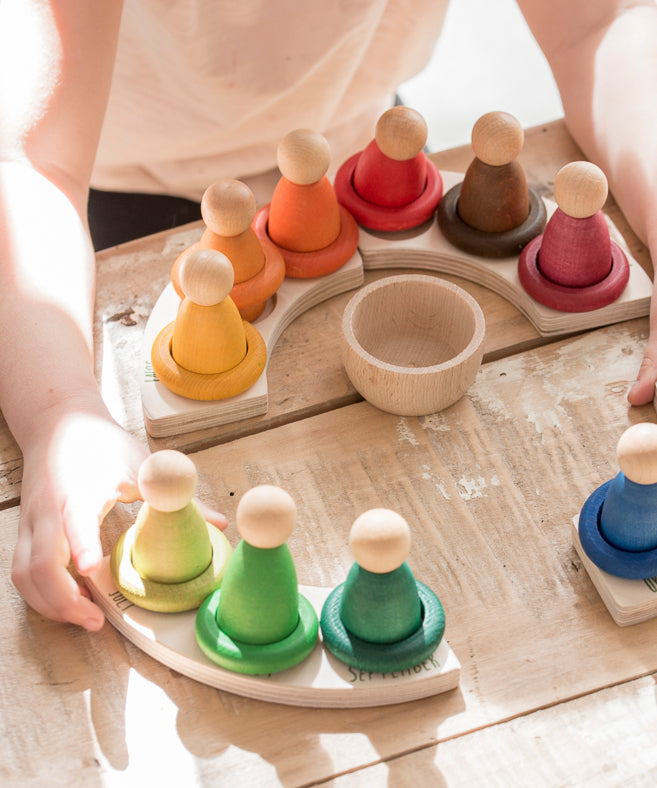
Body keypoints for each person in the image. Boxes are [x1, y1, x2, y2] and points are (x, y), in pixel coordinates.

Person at [2, 1, 657, 631]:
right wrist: (61, 413)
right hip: (109, 197)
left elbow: (602, 20)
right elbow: (33, 160)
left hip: (369, 166)